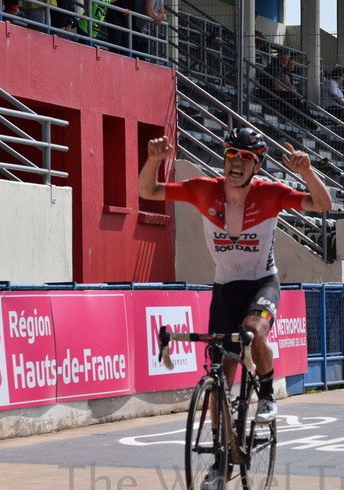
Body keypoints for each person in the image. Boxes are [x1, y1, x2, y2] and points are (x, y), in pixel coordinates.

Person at [138, 128, 331, 427]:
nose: (236, 162)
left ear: (258, 165)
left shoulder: (270, 193)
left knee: (253, 330)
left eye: (246, 157)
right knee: (220, 378)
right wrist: (152, 160)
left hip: (262, 283)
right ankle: (219, 456)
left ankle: (266, 393)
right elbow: (148, 191)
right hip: (224, 290)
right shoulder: (203, 190)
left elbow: (323, 203)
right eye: (231, 154)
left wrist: (306, 172)